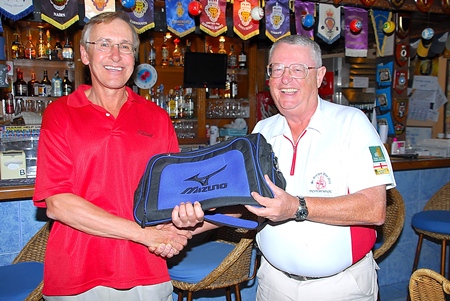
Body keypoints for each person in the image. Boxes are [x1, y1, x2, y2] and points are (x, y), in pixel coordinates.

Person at [32, 12, 204, 301]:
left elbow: (171, 196)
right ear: (85, 54)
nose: (116, 55)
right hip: (77, 276)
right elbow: (58, 204)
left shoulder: (158, 118)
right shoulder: (60, 114)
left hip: (147, 271)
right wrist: (146, 235)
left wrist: (180, 229)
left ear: (134, 58)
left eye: (125, 46)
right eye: (104, 44)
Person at [244, 35, 396, 301]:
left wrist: (296, 207)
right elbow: (250, 203)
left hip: (340, 288)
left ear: (319, 76)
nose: (285, 79)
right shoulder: (261, 131)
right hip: (273, 285)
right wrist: (195, 219)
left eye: (297, 69)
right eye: (277, 69)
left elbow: (375, 209)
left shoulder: (353, 124)